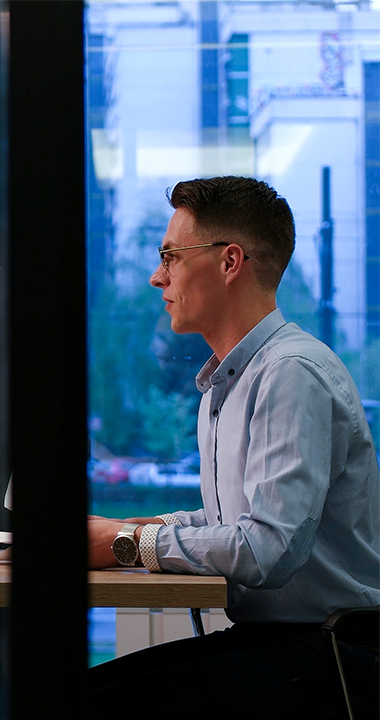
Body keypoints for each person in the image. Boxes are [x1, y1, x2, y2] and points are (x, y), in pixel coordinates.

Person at [87, 176, 379, 717]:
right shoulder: (232, 381)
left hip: (335, 657)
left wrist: (128, 543)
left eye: (171, 255)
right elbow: (236, 520)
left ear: (229, 262)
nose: (157, 276)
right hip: (287, 643)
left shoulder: (291, 374)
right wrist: (120, 530)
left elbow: (266, 547)